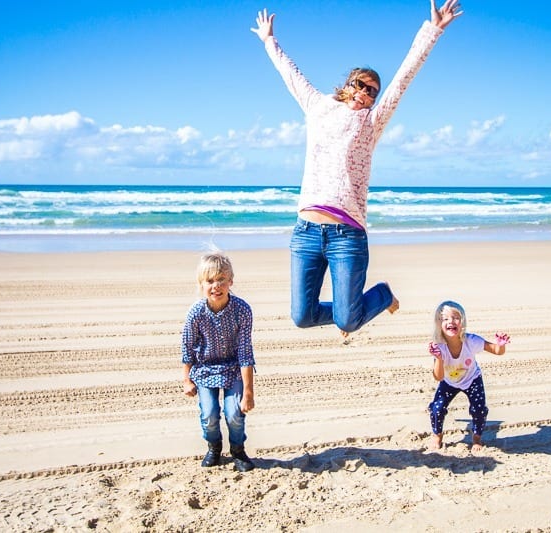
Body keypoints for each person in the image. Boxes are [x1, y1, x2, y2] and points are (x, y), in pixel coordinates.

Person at [251, 1, 462, 337]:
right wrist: (268, 40)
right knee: (302, 317)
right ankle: (357, 308)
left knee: (348, 321)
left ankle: (381, 295)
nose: (365, 93)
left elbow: (404, 78)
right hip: (305, 231)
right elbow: (290, 74)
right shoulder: (317, 106)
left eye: (372, 91)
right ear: (347, 84)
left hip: (347, 235)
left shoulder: (371, 122)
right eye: (360, 85)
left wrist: (432, 30)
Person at [181, 252, 257, 472]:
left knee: (234, 413)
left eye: (221, 279)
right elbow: (187, 347)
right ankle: (213, 447)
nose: (216, 286)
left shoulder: (242, 310)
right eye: (210, 281)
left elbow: (245, 352)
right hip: (204, 369)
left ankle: (238, 450)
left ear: (230, 281)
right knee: (209, 414)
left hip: (233, 368)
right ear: (201, 285)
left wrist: (249, 392)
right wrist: (187, 380)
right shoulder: (196, 313)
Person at [427, 300, 510, 454]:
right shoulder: (439, 346)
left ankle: (477, 438)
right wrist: (438, 358)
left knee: (479, 409)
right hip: (448, 381)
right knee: (436, 408)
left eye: (455, 317)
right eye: (445, 319)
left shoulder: (471, 341)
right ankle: (437, 435)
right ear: (438, 324)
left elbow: (497, 351)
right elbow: (438, 377)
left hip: (472, 379)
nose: (451, 321)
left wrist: (501, 344)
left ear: (463, 321)